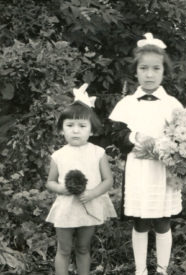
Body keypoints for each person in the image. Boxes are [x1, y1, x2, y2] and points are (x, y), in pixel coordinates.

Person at [109, 33, 183, 275]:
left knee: (163, 220)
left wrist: (169, 147)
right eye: (144, 68)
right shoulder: (127, 104)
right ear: (136, 71)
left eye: (155, 68)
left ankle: (162, 270)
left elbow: (184, 137)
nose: (149, 74)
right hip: (139, 171)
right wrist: (136, 138)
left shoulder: (172, 104)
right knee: (140, 220)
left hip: (163, 170)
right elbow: (115, 134)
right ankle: (140, 270)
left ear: (163, 71)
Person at [45, 84, 117, 275]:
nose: (75, 131)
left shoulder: (98, 153)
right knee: (64, 248)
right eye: (70, 125)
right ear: (62, 130)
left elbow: (108, 180)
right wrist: (62, 189)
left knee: (83, 248)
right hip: (66, 207)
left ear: (92, 130)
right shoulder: (59, 155)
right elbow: (50, 182)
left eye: (82, 126)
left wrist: (93, 193)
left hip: (89, 204)